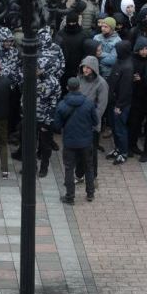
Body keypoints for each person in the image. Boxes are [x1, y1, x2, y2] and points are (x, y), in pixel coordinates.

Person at [55, 77, 98, 205]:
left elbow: (57, 126)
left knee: (69, 169)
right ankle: (90, 194)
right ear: (79, 87)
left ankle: (70, 197)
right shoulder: (89, 103)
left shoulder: (62, 105)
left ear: (67, 88)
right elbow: (95, 121)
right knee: (88, 167)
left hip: (70, 143)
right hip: (86, 142)